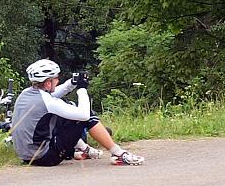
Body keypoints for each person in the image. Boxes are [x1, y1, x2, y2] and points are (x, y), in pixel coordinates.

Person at [11, 59, 145, 166]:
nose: (58, 81)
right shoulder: (49, 102)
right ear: (47, 83)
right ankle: (119, 154)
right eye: (56, 79)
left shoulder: (27, 93)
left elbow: (56, 93)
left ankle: (83, 149)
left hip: (27, 156)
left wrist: (72, 83)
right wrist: (82, 89)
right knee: (86, 115)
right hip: (45, 158)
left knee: (65, 111)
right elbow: (84, 114)